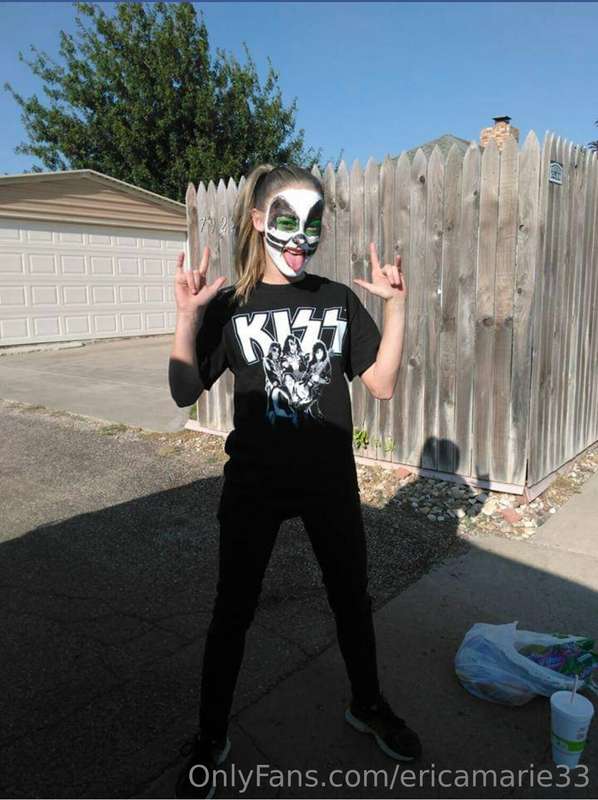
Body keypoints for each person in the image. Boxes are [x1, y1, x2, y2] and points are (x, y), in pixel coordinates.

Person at [168, 163, 417, 799]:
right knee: (233, 610)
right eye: (286, 220)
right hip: (254, 484)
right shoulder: (232, 305)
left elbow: (382, 385)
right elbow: (183, 390)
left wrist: (396, 309)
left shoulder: (336, 300)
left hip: (328, 481)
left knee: (351, 600)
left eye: (313, 223)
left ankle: (367, 705)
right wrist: (188, 317)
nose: (301, 237)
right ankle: (211, 734)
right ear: (258, 221)